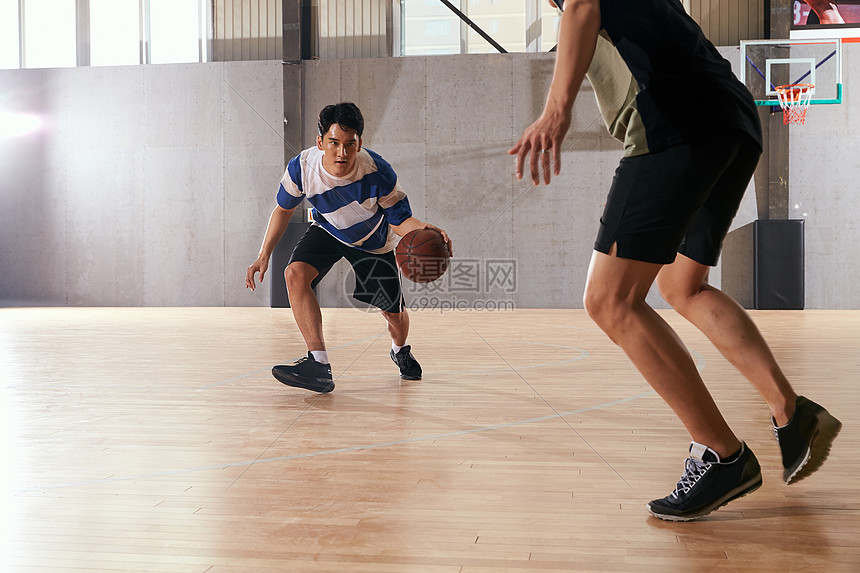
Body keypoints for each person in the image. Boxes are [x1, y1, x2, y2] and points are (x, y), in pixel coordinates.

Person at [510, 0, 841, 521]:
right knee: (683, 285)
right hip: (729, 120)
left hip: (674, 126)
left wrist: (557, 109)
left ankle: (721, 454)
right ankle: (791, 411)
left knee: (609, 302)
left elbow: (579, 5)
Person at [246, 102, 451, 394]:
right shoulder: (302, 168)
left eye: (349, 144)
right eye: (334, 143)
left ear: (359, 143)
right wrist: (263, 254)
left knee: (393, 314)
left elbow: (400, 220)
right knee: (294, 274)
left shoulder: (378, 172)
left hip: (373, 242)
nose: (342, 152)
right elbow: (282, 209)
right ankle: (318, 364)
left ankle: (400, 349)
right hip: (327, 230)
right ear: (320, 142)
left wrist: (424, 230)